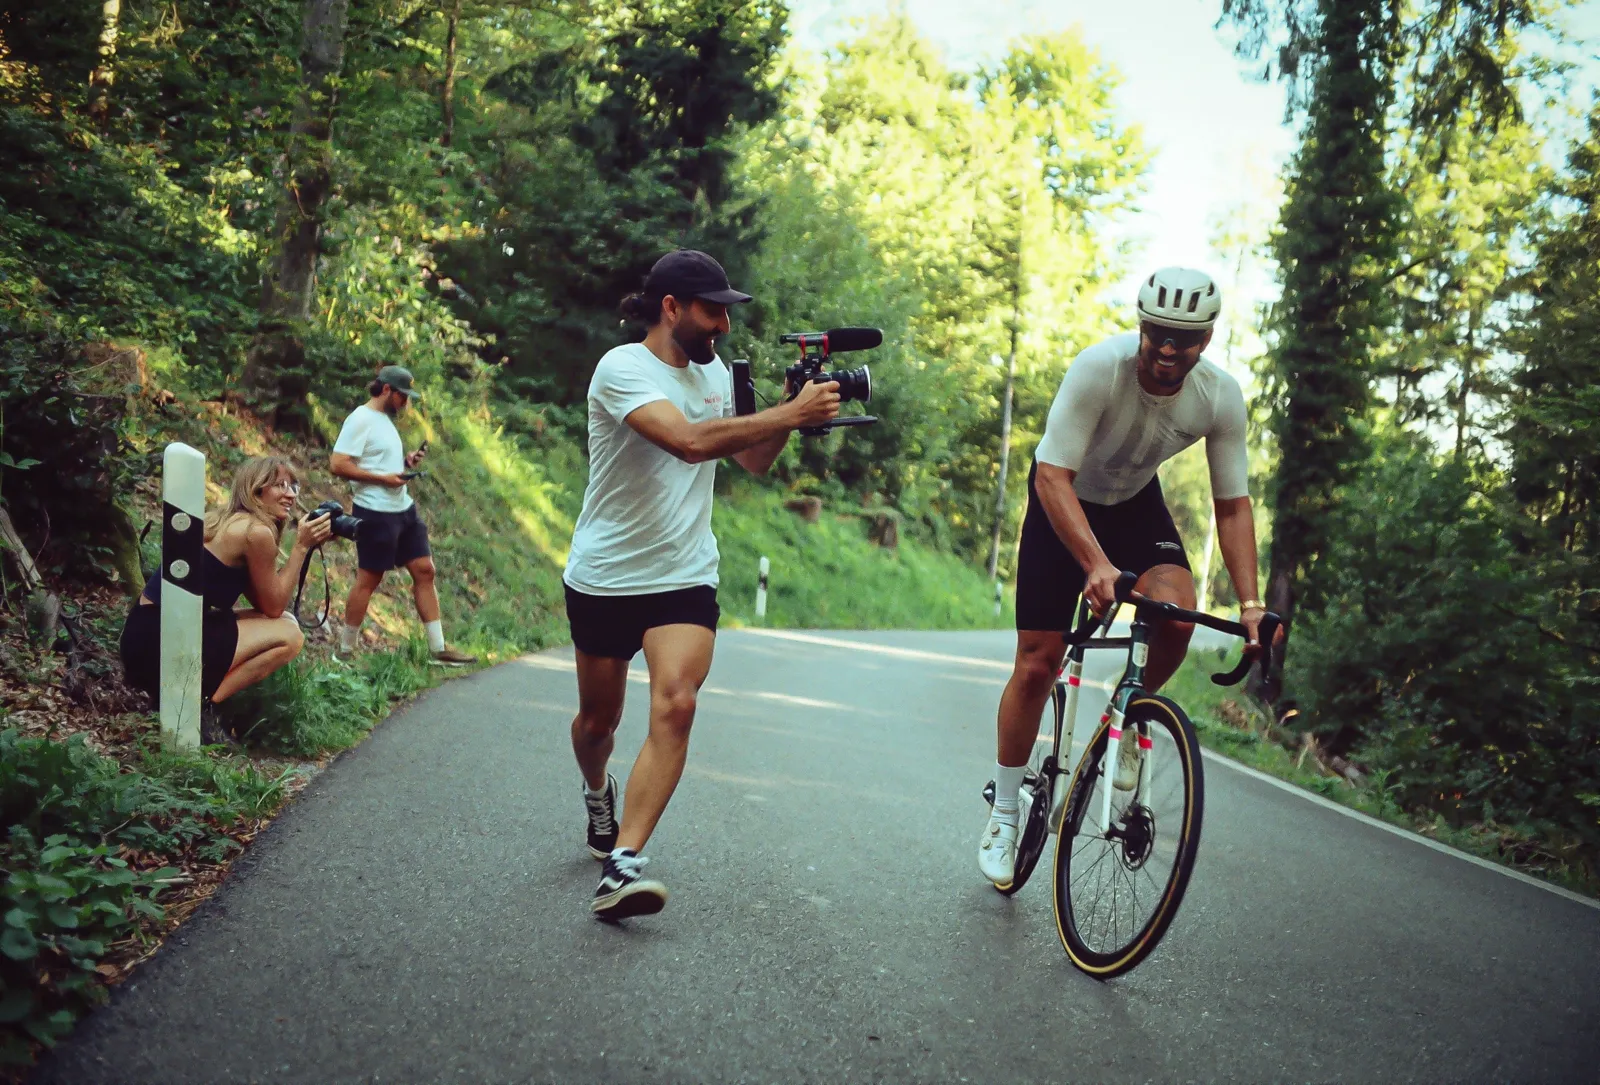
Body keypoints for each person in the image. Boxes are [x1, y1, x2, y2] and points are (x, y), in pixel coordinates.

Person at [566, 249, 841, 921]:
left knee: (677, 702)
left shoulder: (716, 371)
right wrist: (788, 415)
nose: (722, 322)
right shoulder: (621, 369)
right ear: (670, 308)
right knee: (599, 720)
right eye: (712, 309)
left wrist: (786, 412)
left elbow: (750, 459)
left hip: (683, 574)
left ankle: (623, 862)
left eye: (726, 310)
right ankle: (597, 788)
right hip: (605, 574)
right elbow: (687, 442)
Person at [977, 267, 1272, 890]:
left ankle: (1127, 709)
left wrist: (1250, 603)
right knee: (1037, 661)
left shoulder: (1219, 397)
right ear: (1141, 325)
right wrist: (1093, 563)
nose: (1168, 349)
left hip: (1136, 505)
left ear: (1208, 338)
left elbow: (1232, 505)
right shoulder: (1098, 368)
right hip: (1064, 499)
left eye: (1184, 339)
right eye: (1157, 333)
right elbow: (1052, 475)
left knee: (1177, 611)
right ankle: (1005, 812)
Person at [120, 456, 333, 744]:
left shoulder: (225, 520)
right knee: (290, 635)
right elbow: (273, 605)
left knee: (285, 623)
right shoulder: (255, 533)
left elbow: (265, 607)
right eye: (280, 485)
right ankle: (203, 705)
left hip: (145, 632)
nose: (291, 494)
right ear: (256, 490)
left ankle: (199, 701)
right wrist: (301, 547)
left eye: (293, 486)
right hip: (160, 641)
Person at [330, 365, 476, 666]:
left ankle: (439, 649)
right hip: (374, 511)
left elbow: (378, 460)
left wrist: (405, 461)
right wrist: (383, 479)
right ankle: (345, 652)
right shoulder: (360, 419)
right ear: (386, 390)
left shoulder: (384, 420)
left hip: (403, 508)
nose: (406, 404)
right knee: (369, 579)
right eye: (402, 397)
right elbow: (339, 464)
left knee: (425, 570)